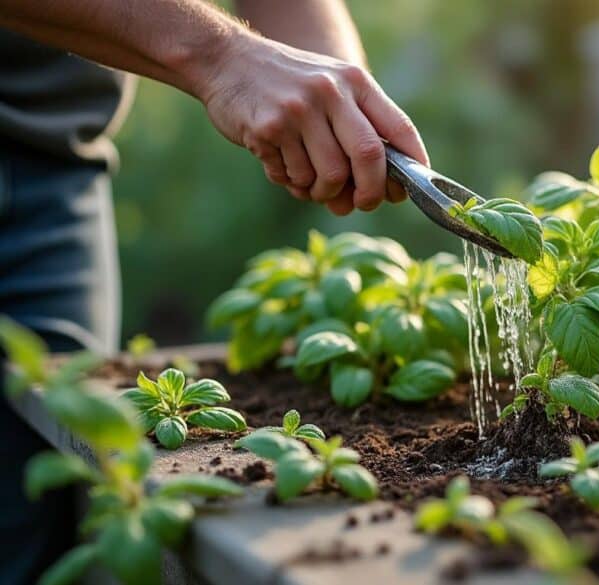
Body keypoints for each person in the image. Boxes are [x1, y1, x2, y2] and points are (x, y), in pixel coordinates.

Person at [0, 1, 428, 582]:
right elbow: (227, 56)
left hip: (56, 160)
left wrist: (337, 98)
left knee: (33, 526)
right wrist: (223, 55)